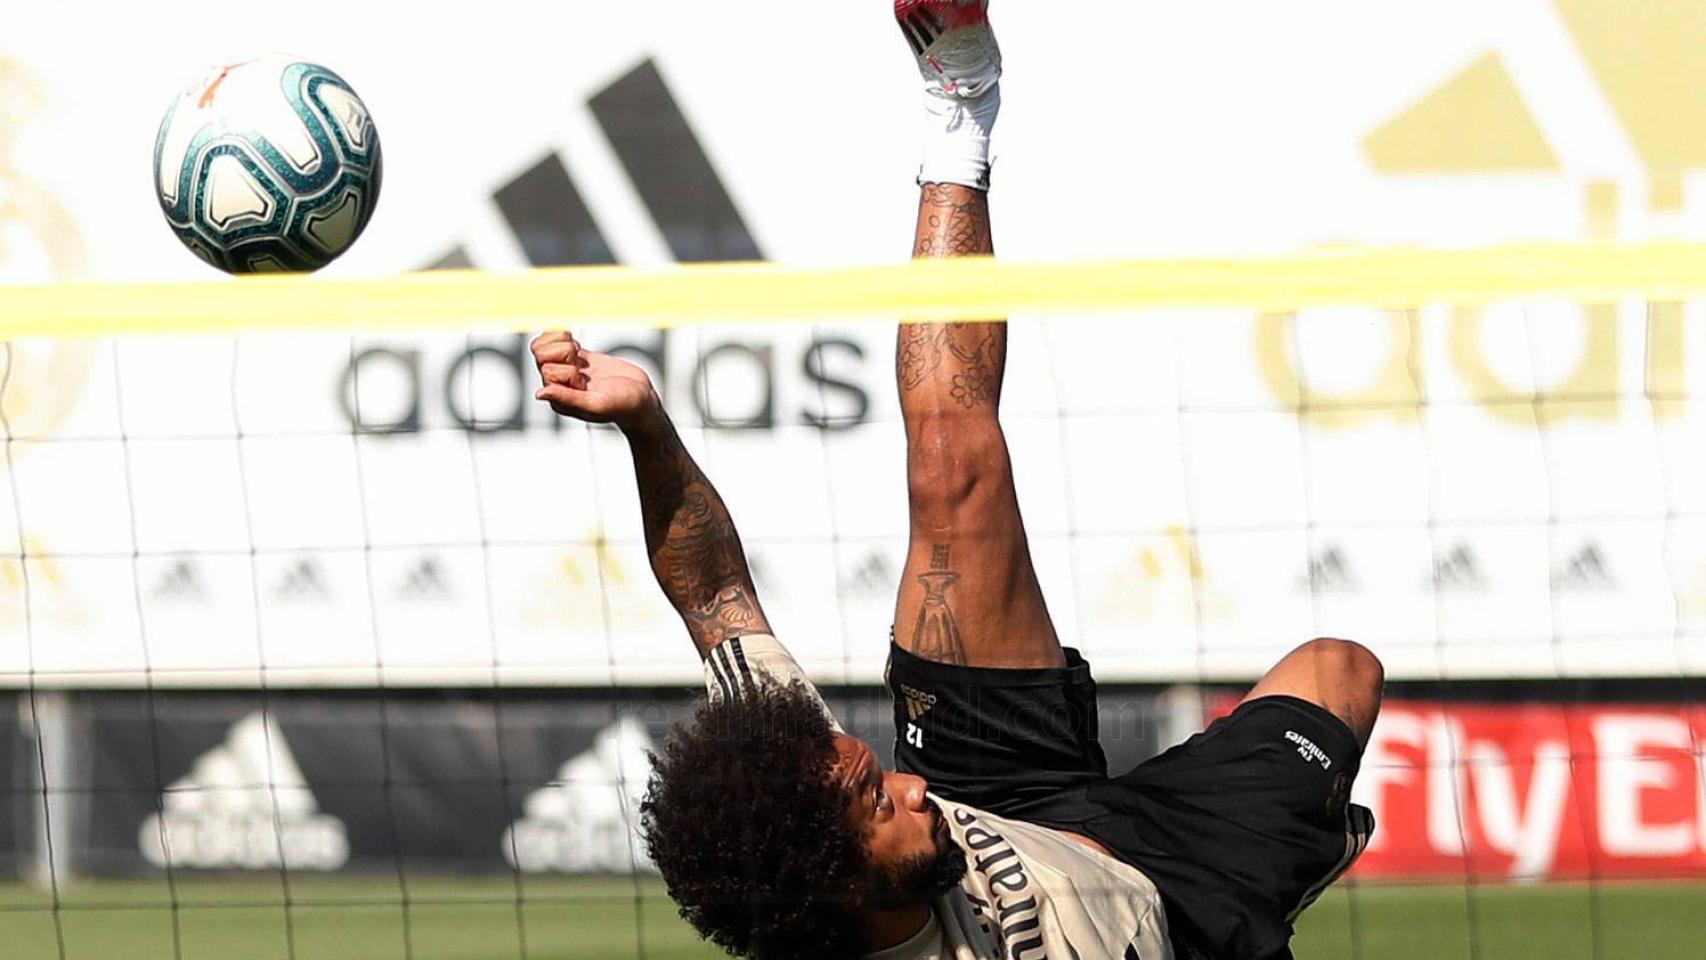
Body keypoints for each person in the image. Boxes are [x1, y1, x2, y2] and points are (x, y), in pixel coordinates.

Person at [529, 3, 1383, 957]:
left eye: (875, 772)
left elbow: (717, 595)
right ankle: (1283, 851)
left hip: (1012, 792)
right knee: (1340, 669)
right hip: (1180, 912)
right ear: (835, 882)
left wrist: (645, 425)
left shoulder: (806, 786)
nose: (908, 779)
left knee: (949, 462)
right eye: (880, 799)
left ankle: (959, 104)